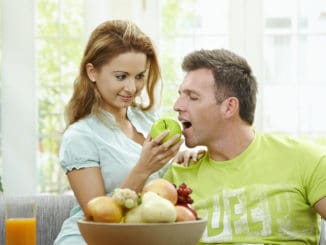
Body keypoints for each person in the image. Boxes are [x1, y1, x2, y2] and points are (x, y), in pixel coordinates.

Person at [163, 48, 326, 244]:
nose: (177, 105)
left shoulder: (305, 159)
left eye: (192, 97)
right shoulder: (178, 178)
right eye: (180, 94)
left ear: (229, 107)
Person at [54, 20, 184, 244]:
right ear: (92, 71)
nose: (132, 88)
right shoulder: (81, 136)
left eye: (140, 76)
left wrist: (184, 158)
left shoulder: (148, 121)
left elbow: (166, 187)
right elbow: (100, 219)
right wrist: (143, 168)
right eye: (121, 76)